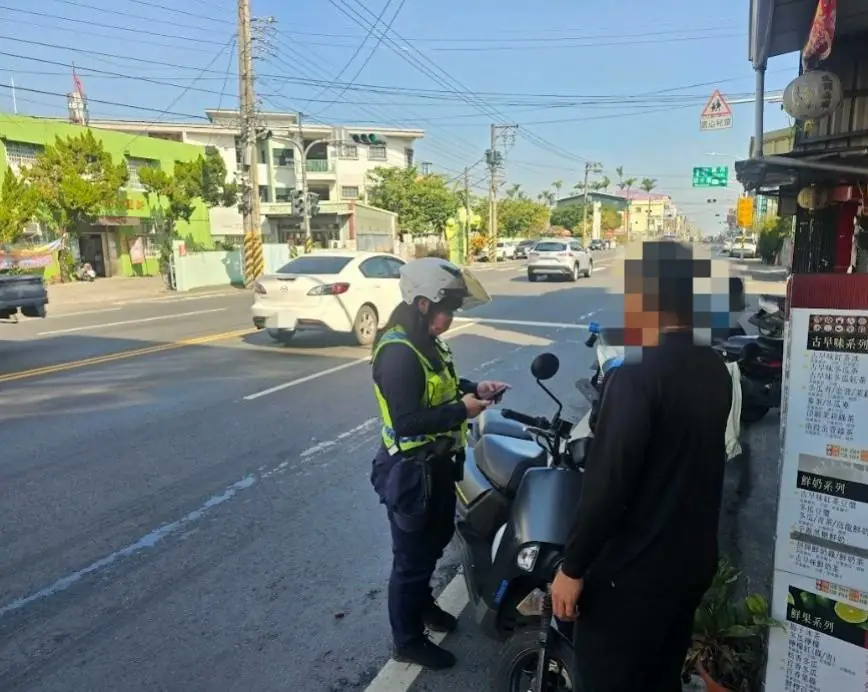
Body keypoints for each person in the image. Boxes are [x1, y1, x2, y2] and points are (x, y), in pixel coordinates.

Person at [550, 241, 734, 691]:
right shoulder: (713, 366)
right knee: (659, 676)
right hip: (689, 566)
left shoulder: (635, 374)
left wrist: (572, 569)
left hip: (632, 579)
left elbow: (608, 483)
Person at [369, 257, 509, 670]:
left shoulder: (427, 341)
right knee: (410, 559)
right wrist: (461, 411)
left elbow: (443, 386)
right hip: (411, 474)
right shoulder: (397, 352)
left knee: (433, 544)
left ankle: (423, 604)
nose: (451, 318)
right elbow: (407, 420)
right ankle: (407, 640)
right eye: (447, 309)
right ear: (423, 303)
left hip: (439, 467)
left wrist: (475, 389)